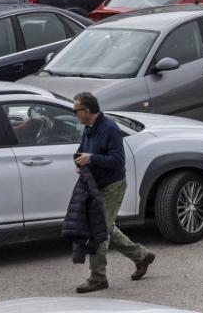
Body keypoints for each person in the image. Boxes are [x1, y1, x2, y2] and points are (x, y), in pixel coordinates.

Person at [72, 92, 155, 294]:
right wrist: (79, 159)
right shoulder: (88, 128)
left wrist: (91, 159)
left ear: (87, 110)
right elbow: (84, 149)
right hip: (96, 184)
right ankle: (141, 256)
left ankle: (97, 277)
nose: (75, 115)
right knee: (107, 227)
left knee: (98, 230)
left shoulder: (110, 129)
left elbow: (118, 160)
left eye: (76, 111)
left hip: (113, 185)